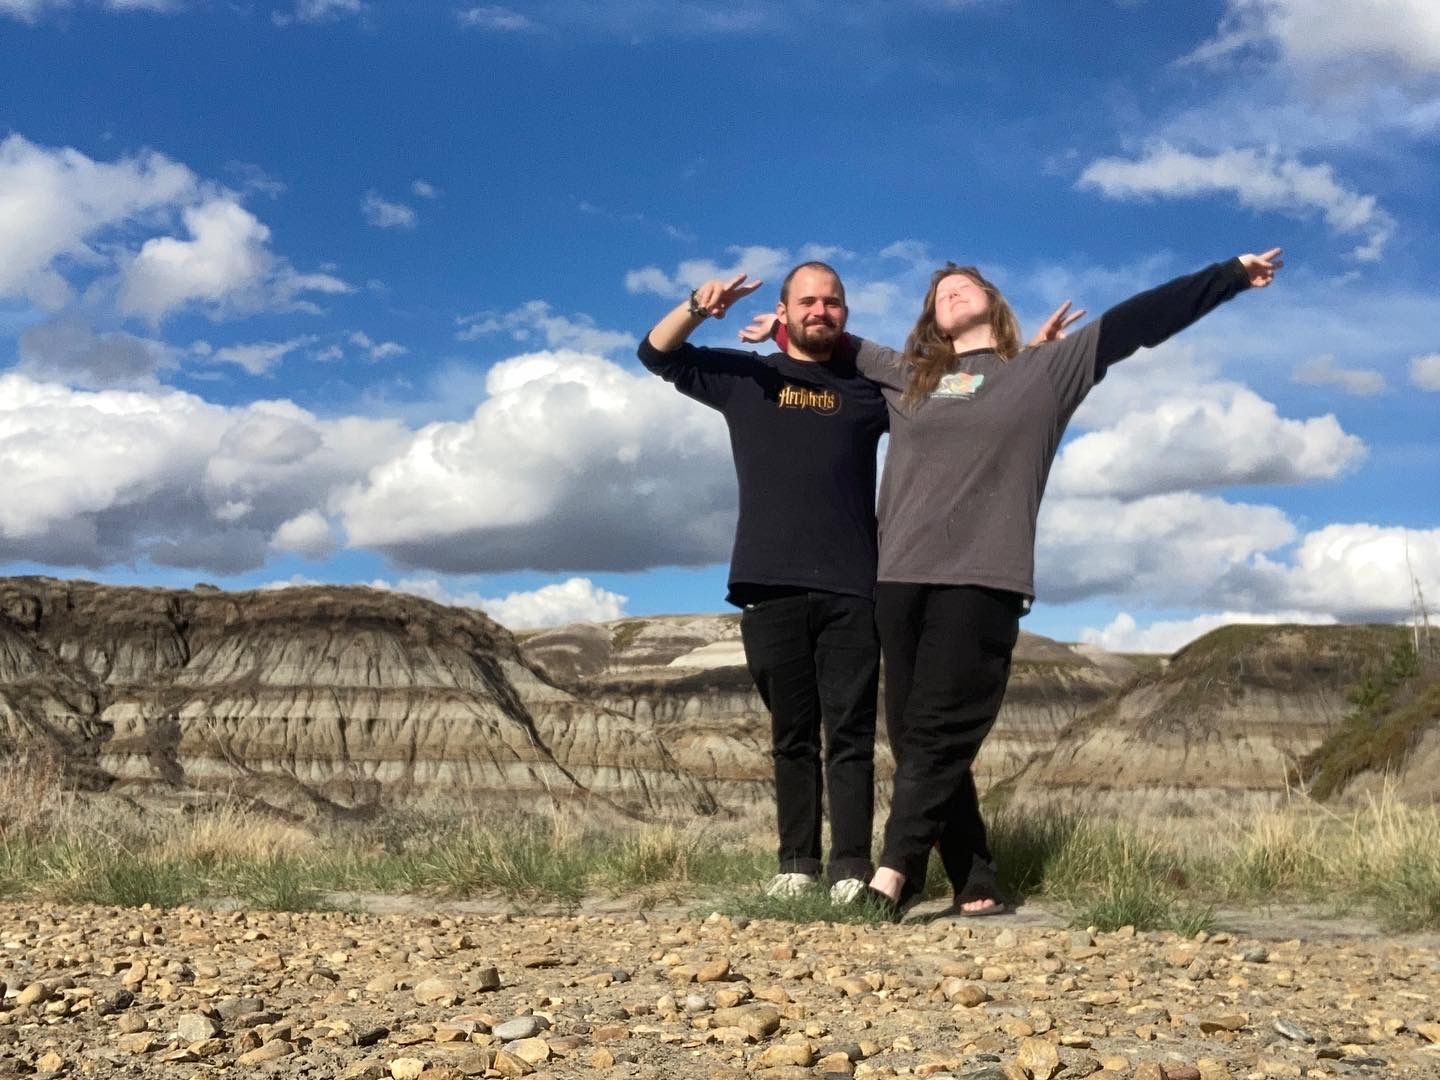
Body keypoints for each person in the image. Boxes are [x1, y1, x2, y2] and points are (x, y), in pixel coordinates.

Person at [843, 247, 1285, 918]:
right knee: (912, 735)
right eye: (941, 294)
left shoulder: (1047, 372)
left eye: (966, 285)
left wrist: (1227, 276)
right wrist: (777, 325)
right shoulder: (909, 376)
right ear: (931, 320)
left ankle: (893, 874)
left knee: (937, 730)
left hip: (982, 577)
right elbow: (826, 334)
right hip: (899, 577)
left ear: (994, 302)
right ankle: (976, 872)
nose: (953, 293)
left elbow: (1136, 322)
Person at [638, 263, 888, 901]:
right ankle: (797, 866)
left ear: (846, 315)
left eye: (833, 302)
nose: (821, 311)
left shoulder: (868, 390)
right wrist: (699, 304)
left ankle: (851, 870)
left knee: (851, 735)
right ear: (784, 310)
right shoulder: (750, 377)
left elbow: (943, 394)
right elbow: (656, 354)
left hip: (854, 586)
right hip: (768, 583)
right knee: (792, 736)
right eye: (808, 301)